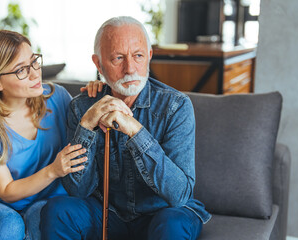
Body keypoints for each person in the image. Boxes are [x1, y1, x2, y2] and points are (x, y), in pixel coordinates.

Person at [40, 16, 211, 240]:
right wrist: (87, 125)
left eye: (138, 56)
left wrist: (135, 131)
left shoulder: (176, 106)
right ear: (98, 64)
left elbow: (179, 195)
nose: (130, 69)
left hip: (162, 213)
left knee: (173, 223)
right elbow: (77, 190)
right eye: (118, 58)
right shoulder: (82, 107)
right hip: (108, 214)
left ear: (149, 56)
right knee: (58, 210)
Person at [0, 30, 103, 240]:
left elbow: (88, 123)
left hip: (42, 200)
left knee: (47, 218)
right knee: (10, 227)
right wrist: (53, 170)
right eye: (21, 70)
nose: (35, 74)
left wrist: (96, 91)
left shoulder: (57, 97)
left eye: (34, 62)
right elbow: (6, 190)